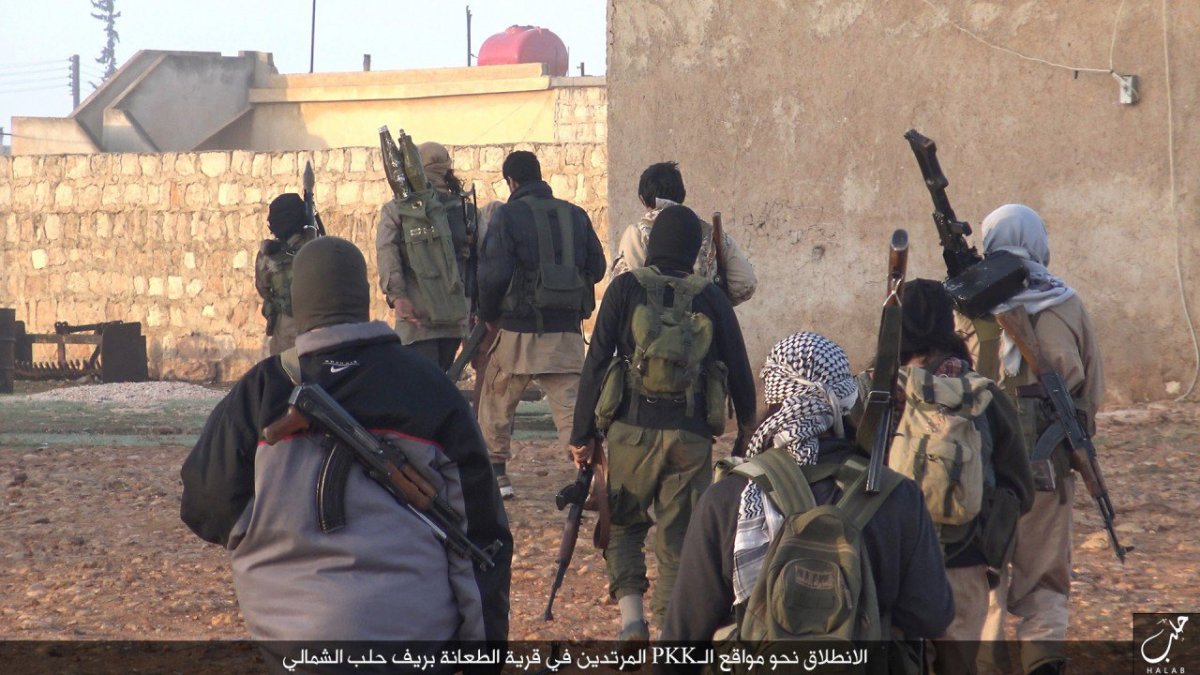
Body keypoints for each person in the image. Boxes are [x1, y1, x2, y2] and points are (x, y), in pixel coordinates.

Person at [180, 237, 511, 652]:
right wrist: (482, 655)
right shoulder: (428, 385)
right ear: (363, 298)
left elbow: (204, 506)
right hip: (414, 633)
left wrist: (268, 538)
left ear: (298, 302)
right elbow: (481, 531)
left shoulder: (260, 390)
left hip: (292, 636)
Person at [661, 332, 953, 652]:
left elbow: (684, 634)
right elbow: (931, 616)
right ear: (847, 401)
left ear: (773, 399)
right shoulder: (897, 496)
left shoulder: (729, 498)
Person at [570, 205, 757, 641]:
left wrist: (582, 434)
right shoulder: (711, 298)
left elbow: (596, 363)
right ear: (693, 249)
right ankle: (671, 637)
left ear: (653, 244)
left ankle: (632, 621)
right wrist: (747, 431)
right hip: (691, 436)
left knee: (623, 524)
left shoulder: (624, 288)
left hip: (630, 431)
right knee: (679, 537)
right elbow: (739, 368)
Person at [975, 205, 1105, 675]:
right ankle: (1041, 658)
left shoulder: (968, 304)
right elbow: (1092, 391)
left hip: (981, 464)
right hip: (1048, 463)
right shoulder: (1065, 303)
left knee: (984, 571)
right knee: (1047, 576)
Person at [890, 279, 1034, 675]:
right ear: (947, 325)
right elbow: (1020, 489)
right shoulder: (984, 396)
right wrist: (985, 540)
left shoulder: (879, 394)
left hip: (894, 568)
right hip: (963, 563)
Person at [476, 150, 606, 499]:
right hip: (565, 332)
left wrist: (487, 315)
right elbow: (597, 268)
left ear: (511, 182)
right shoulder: (576, 214)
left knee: (496, 401)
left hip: (519, 331)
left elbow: (493, 275)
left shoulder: (506, 216)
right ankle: (587, 476)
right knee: (572, 411)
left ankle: (498, 476)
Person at [375, 140, 472, 371]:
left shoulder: (398, 208)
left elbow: (386, 250)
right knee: (441, 380)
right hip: (455, 317)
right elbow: (478, 261)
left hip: (416, 318)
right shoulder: (465, 208)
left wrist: (397, 296)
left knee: (419, 384)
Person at [611, 161, 757, 306]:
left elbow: (624, 290)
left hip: (651, 319)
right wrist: (714, 301)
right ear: (683, 195)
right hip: (704, 318)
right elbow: (745, 282)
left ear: (642, 199)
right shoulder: (711, 232)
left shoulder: (636, 234)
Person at [255, 193, 313, 355]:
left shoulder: (267, 254)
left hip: (286, 323)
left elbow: (262, 288)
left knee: (285, 367)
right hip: (316, 323)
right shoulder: (315, 246)